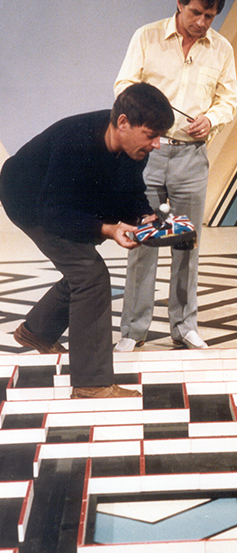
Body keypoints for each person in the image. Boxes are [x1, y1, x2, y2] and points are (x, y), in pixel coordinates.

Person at [0, 83, 174, 397]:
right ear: (123, 123)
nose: (157, 144)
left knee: (82, 271)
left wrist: (145, 217)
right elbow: (55, 215)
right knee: (90, 275)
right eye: (151, 135)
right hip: (28, 200)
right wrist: (107, 229)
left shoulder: (133, 148)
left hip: (65, 200)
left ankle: (37, 331)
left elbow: (130, 191)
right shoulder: (75, 142)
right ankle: (91, 384)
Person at [113, 0, 237, 352]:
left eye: (210, 16)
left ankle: (184, 326)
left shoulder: (221, 49)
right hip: (147, 154)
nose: (201, 22)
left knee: (187, 244)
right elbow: (123, 86)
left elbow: (228, 100)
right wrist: (149, 110)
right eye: (196, 13)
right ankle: (133, 330)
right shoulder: (147, 36)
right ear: (180, 4)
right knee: (144, 241)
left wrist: (211, 119)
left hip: (191, 156)